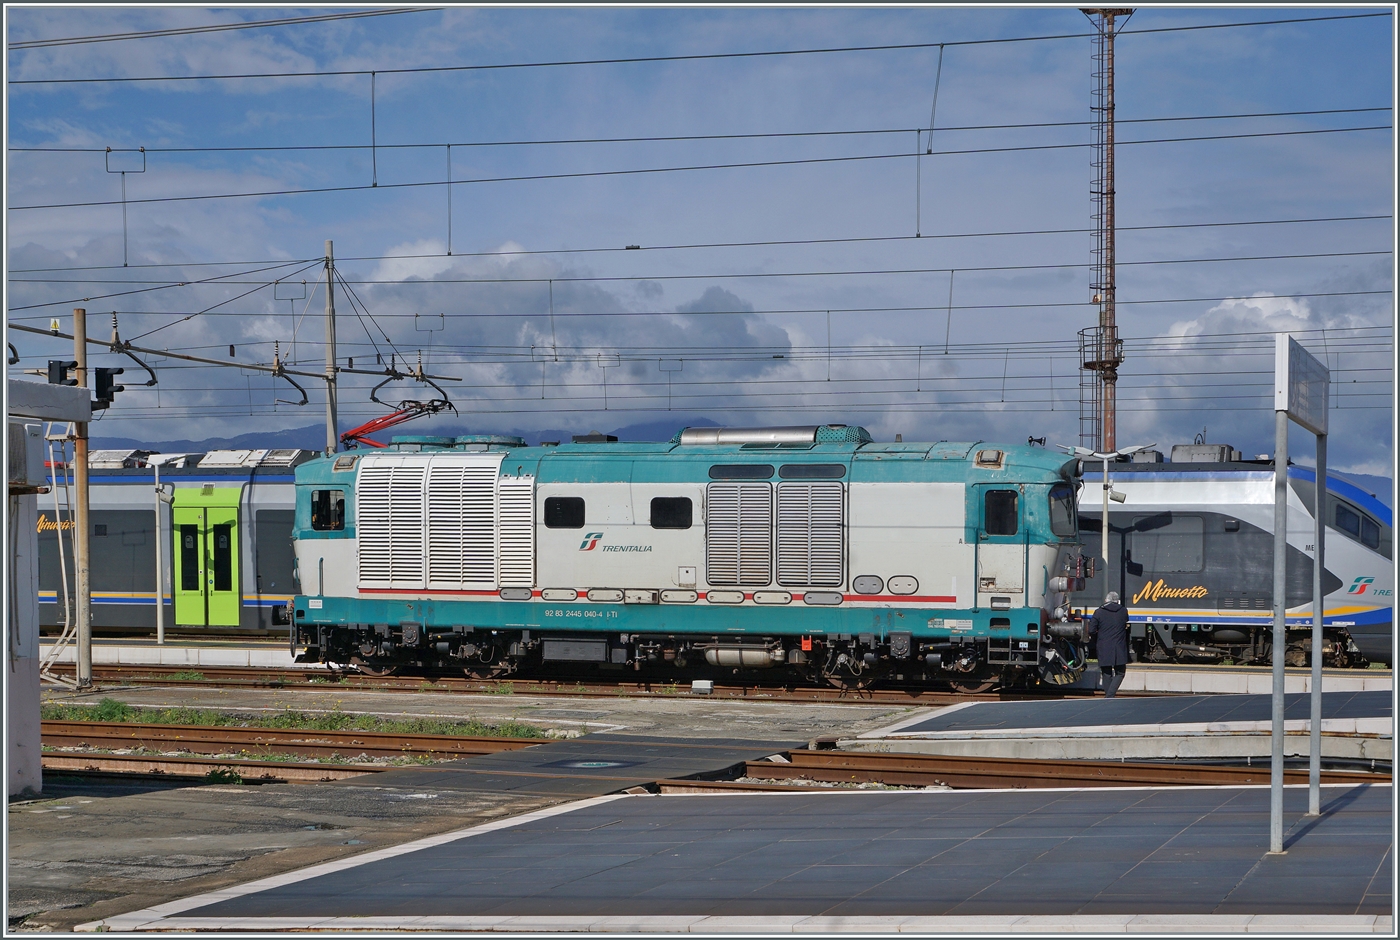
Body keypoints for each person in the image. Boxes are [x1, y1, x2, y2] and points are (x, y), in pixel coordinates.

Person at [1087, 591, 1131, 698]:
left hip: (1104, 646)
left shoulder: (1099, 612)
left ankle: (1109, 696)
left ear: (1106, 600)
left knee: (1106, 673)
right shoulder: (1123, 611)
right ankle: (1110, 696)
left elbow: (1091, 630)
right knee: (1120, 672)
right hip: (1119, 647)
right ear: (1117, 601)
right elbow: (1126, 623)